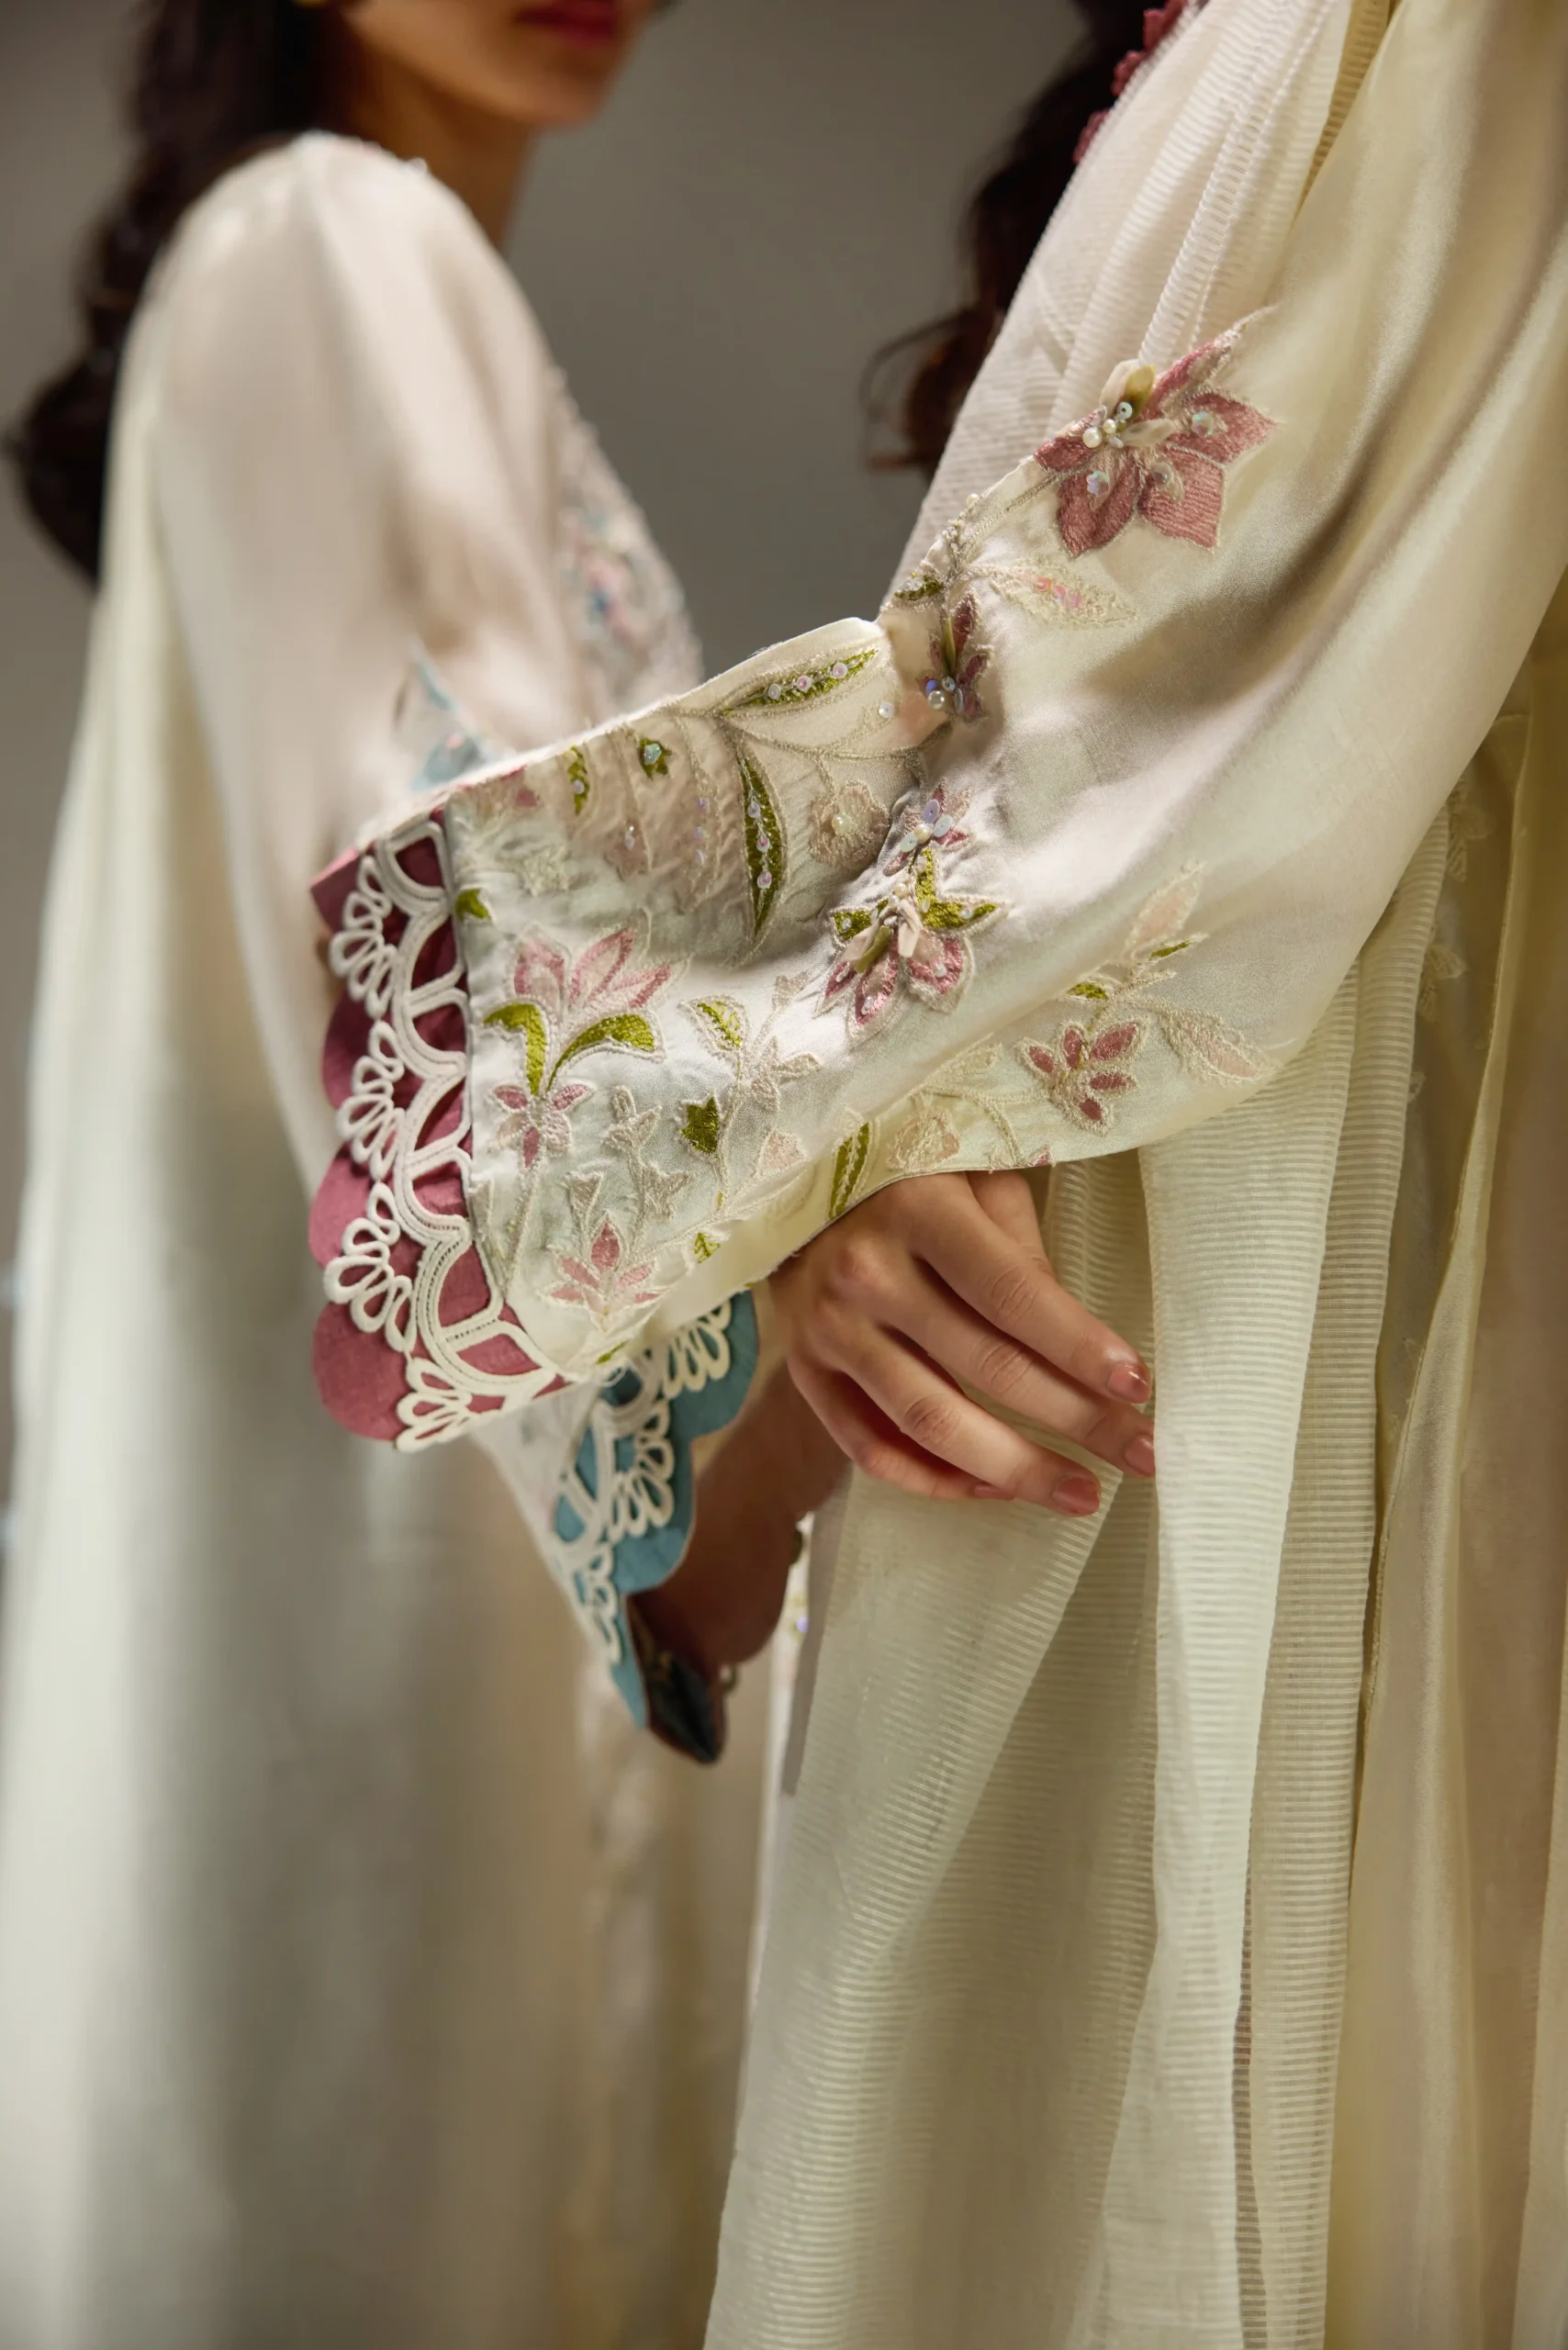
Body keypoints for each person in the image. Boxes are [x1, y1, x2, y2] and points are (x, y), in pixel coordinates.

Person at [311, 0, 1568, 2335]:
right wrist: (835, 1127)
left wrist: (835, 1107)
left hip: (1270, 1386)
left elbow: (1174, 759)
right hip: (1099, 1372)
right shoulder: (322, 256)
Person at [0, 5, 773, 2345]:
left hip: (332, 1566)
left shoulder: (319, 264)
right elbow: (476, 920)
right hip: (391, 1621)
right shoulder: (331, 238)